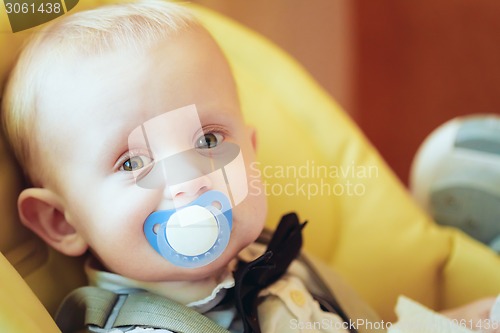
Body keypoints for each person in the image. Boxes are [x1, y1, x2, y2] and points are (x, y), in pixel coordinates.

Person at [1, 1, 498, 332]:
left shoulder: (271, 259)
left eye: (209, 139)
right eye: (133, 161)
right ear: (61, 221)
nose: (189, 179)